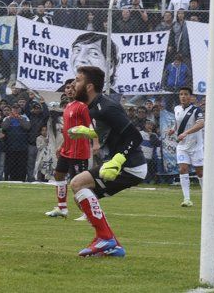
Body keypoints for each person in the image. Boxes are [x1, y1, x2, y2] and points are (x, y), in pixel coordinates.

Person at [69, 66, 146, 257]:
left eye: (77, 80)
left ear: (89, 87)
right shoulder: (94, 107)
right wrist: (88, 132)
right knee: (80, 193)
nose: (73, 84)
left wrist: (118, 160)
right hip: (121, 163)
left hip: (131, 166)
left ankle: (106, 238)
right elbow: (110, 131)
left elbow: (135, 136)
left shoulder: (108, 107)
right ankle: (113, 245)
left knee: (78, 184)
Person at [45, 79, 95, 218]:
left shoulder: (82, 107)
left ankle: (88, 212)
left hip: (79, 151)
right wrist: (61, 146)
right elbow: (67, 131)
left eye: (73, 87)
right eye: (67, 87)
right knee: (58, 175)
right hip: (66, 150)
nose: (69, 90)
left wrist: (95, 143)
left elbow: (90, 127)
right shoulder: (68, 107)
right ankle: (62, 208)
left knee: (78, 182)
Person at [169, 87, 204, 207]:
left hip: (196, 146)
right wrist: (173, 129)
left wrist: (186, 133)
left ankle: (206, 197)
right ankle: (187, 199)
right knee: (183, 169)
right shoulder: (176, 108)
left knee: (200, 172)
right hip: (182, 146)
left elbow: (200, 124)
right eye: (181, 94)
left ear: (191, 97)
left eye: (185, 94)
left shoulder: (196, 110)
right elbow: (177, 123)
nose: (183, 96)